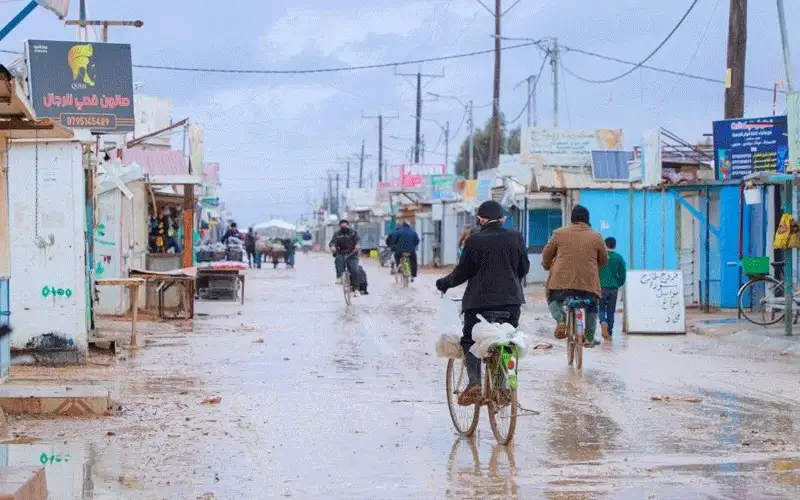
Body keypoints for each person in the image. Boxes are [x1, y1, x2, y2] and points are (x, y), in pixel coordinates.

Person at [435, 200, 530, 406]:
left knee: (469, 341)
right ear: (502, 218)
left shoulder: (474, 240)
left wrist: (443, 283)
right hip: (511, 303)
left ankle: (475, 383)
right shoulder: (516, 237)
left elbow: (462, 273)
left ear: (480, 219)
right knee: (507, 341)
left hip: (478, 305)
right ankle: (505, 387)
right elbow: (524, 269)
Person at [541, 205, 608, 345]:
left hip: (561, 283)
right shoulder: (596, 236)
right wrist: (594, 269)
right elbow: (604, 259)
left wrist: (547, 266)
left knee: (551, 296)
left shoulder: (559, 233)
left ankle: (561, 319)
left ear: (572, 219)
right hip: (588, 283)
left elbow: (547, 254)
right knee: (592, 305)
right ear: (587, 219)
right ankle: (589, 338)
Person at [599, 237, 626, 340]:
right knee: (611, 311)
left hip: (601, 287)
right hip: (613, 288)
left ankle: (603, 321)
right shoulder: (619, 258)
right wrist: (618, 284)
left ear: (605, 245)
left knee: (601, 308)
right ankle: (609, 333)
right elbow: (623, 275)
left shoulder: (600, 257)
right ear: (615, 245)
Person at [328, 220, 361, 292]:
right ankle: (339, 277)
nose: (344, 227)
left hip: (352, 254)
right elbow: (332, 242)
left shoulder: (353, 233)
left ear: (348, 225)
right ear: (340, 226)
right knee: (338, 260)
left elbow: (358, 240)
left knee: (354, 270)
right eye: (342, 226)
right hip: (341, 253)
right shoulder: (337, 234)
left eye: (345, 225)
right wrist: (332, 246)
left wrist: (357, 245)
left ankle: (356, 289)